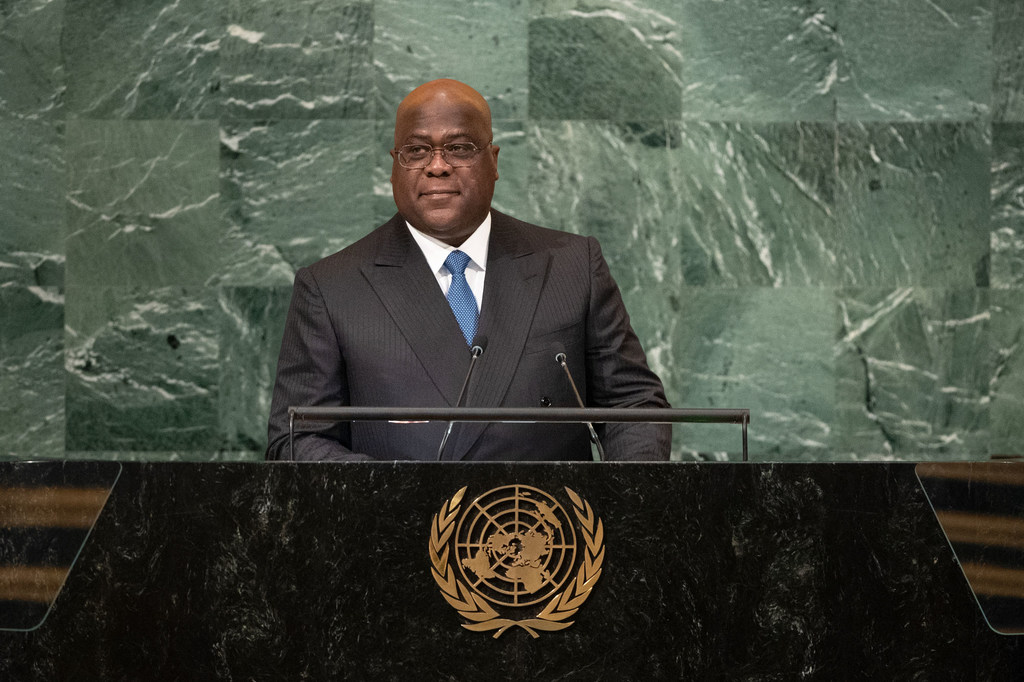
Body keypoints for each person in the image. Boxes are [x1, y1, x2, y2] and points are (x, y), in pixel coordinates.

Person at [265, 79, 670, 461]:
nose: (437, 166)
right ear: (394, 166)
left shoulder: (570, 264)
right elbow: (297, 438)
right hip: (400, 527)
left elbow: (633, 405)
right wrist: (386, 493)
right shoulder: (332, 287)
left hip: (548, 529)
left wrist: (621, 501)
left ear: (493, 161)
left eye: (459, 148)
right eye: (417, 151)